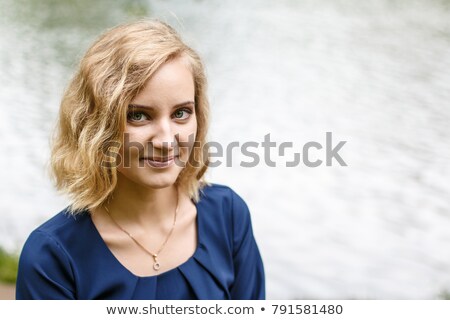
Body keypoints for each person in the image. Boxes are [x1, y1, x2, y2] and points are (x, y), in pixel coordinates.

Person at [15, 20, 265, 300]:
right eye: (138, 115)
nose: (166, 141)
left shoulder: (228, 216)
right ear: (96, 126)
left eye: (181, 113)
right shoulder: (52, 259)